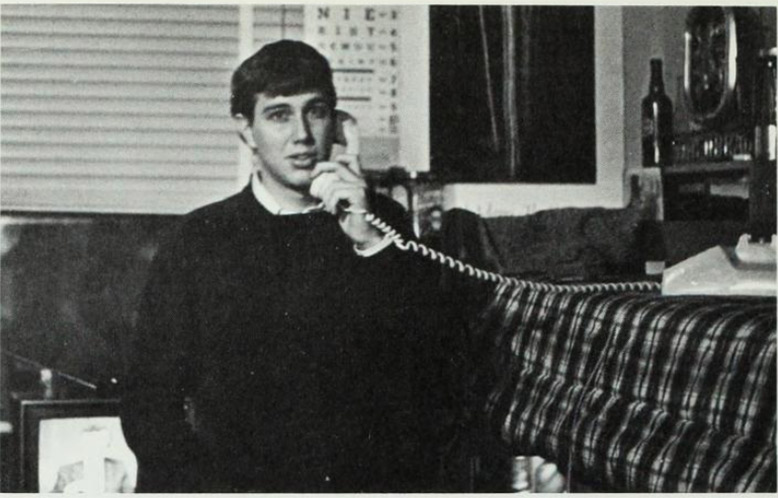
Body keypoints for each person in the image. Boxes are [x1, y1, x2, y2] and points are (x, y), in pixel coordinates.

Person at [120, 40, 461, 493]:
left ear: (337, 125)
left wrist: (369, 244)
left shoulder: (383, 226)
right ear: (246, 130)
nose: (301, 134)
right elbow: (149, 409)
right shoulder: (198, 240)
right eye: (279, 114)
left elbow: (430, 384)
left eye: (315, 111)